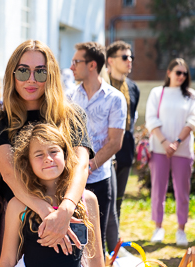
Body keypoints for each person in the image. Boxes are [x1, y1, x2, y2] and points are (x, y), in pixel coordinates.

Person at [0, 40, 94, 255]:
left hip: (69, 217)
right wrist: (50, 214)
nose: (32, 80)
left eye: (41, 72)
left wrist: (64, 211)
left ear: (52, 75)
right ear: (12, 74)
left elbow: (81, 167)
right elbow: (10, 173)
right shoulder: (0, 121)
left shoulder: (70, 116)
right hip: (18, 226)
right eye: (23, 71)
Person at [0, 123, 104, 267]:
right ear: (27, 163)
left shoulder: (87, 200)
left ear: (66, 156)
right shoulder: (18, 205)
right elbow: (7, 260)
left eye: (53, 151)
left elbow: (96, 258)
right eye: (39, 154)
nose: (48, 158)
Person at [69, 42, 127, 255]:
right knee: (76, 238)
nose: (71, 66)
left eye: (76, 61)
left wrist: (89, 164)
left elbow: (115, 142)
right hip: (71, 180)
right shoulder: (69, 97)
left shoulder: (115, 98)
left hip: (100, 179)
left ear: (92, 65)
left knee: (97, 240)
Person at [145, 58, 195, 246]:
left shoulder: (191, 95)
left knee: (182, 191)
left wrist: (176, 143)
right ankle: (158, 227)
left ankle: (181, 230)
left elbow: (192, 121)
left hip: (182, 150)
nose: (181, 76)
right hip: (159, 149)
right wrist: (165, 142)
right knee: (158, 189)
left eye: (184, 73)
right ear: (169, 73)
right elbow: (151, 119)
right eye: (178, 72)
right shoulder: (157, 93)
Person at [105, 40, 140, 251]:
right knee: (104, 201)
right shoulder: (102, 84)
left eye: (131, 57)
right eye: (125, 57)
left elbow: (132, 119)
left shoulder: (134, 87)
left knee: (118, 201)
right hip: (105, 149)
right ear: (110, 60)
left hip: (125, 147)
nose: (130, 61)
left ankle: (114, 247)